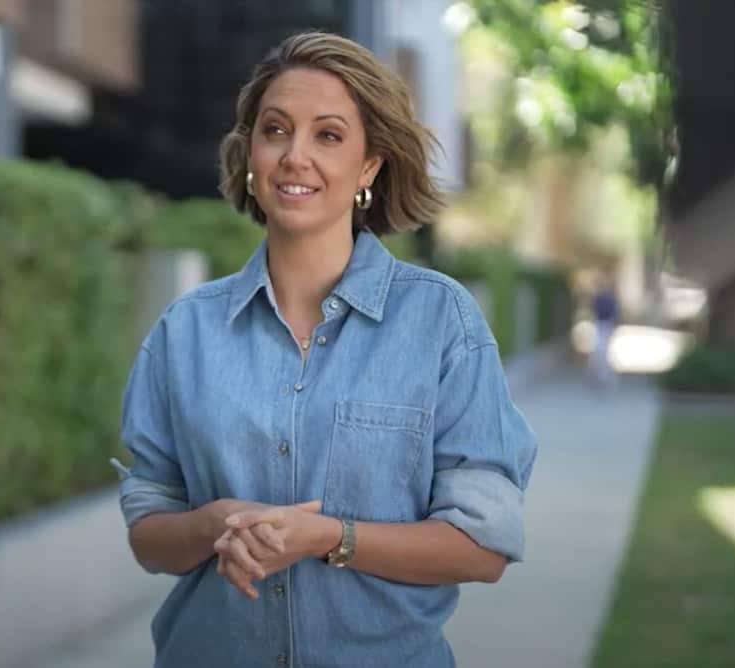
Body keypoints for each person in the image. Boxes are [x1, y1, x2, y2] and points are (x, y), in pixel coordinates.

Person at [110, 31, 538, 667]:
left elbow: (483, 547)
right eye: (275, 130)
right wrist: (216, 524)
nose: (295, 156)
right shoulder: (185, 332)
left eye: (329, 135)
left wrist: (330, 539)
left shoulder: (440, 321)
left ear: (369, 166)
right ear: (250, 155)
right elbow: (150, 536)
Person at [590, 278, 620, 386]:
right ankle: (600, 375)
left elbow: (614, 313)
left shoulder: (609, 299)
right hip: (600, 325)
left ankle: (605, 376)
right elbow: (594, 311)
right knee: (600, 351)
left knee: (605, 351)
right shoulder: (599, 298)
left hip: (607, 325)